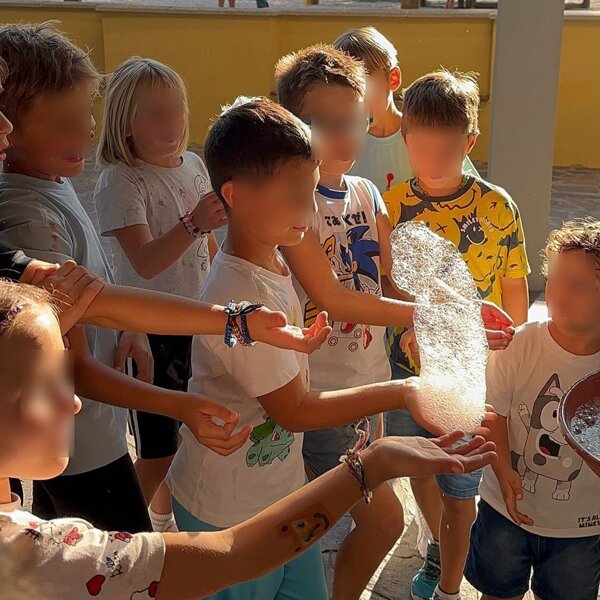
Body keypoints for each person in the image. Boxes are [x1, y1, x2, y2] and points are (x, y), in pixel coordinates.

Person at [165, 96, 496, 600]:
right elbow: (294, 411)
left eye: (312, 191)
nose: (310, 210)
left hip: (281, 494)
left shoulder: (275, 257)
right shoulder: (239, 292)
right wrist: (405, 391)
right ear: (235, 195)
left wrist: (449, 312)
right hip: (226, 512)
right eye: (296, 196)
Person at [0, 278, 497, 600]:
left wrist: (234, 320)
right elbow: (235, 553)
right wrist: (375, 462)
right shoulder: (55, 556)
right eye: (41, 389)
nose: (74, 401)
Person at [382, 70, 531, 600]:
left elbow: (514, 283)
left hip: (471, 379)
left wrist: (512, 352)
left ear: (469, 142)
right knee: (418, 467)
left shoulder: (497, 206)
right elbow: (388, 282)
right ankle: (435, 545)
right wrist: (410, 326)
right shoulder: (391, 203)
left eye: (446, 148)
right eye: (421, 147)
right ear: (405, 139)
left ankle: (449, 587)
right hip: (409, 370)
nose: (433, 159)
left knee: (461, 488)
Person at [0, 21, 151, 532]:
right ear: (10, 130)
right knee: (127, 559)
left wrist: (130, 326)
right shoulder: (28, 217)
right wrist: (185, 406)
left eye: (85, 113)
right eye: (64, 123)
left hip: (89, 429)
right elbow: (77, 365)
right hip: (78, 442)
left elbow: (95, 279)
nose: (87, 129)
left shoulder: (54, 178)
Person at [274, 43, 405, 598]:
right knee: (382, 520)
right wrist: (428, 314)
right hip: (321, 394)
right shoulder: (291, 205)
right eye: (324, 123)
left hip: (369, 382)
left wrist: (446, 312)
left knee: (328, 513)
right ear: (291, 124)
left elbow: (388, 284)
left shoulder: (368, 192)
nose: (343, 134)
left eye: (352, 119)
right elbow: (333, 298)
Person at [95, 56, 226, 533]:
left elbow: (210, 249)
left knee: (185, 436)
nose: (170, 123)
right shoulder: (121, 179)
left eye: (175, 110)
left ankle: (162, 521)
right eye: (154, 113)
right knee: (156, 450)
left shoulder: (193, 164)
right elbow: (146, 262)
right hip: (148, 333)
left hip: (196, 321)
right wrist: (194, 224)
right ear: (125, 124)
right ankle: (115, 535)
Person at [465, 219, 600, 600]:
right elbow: (494, 413)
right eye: (555, 279)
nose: (559, 292)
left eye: (577, 285)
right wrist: (503, 470)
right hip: (506, 508)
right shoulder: (519, 344)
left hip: (582, 525)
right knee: (497, 593)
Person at [333, 26, 478, 195]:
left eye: (363, 91)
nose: (353, 104)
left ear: (393, 78)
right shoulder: (338, 144)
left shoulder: (426, 131)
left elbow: (469, 193)